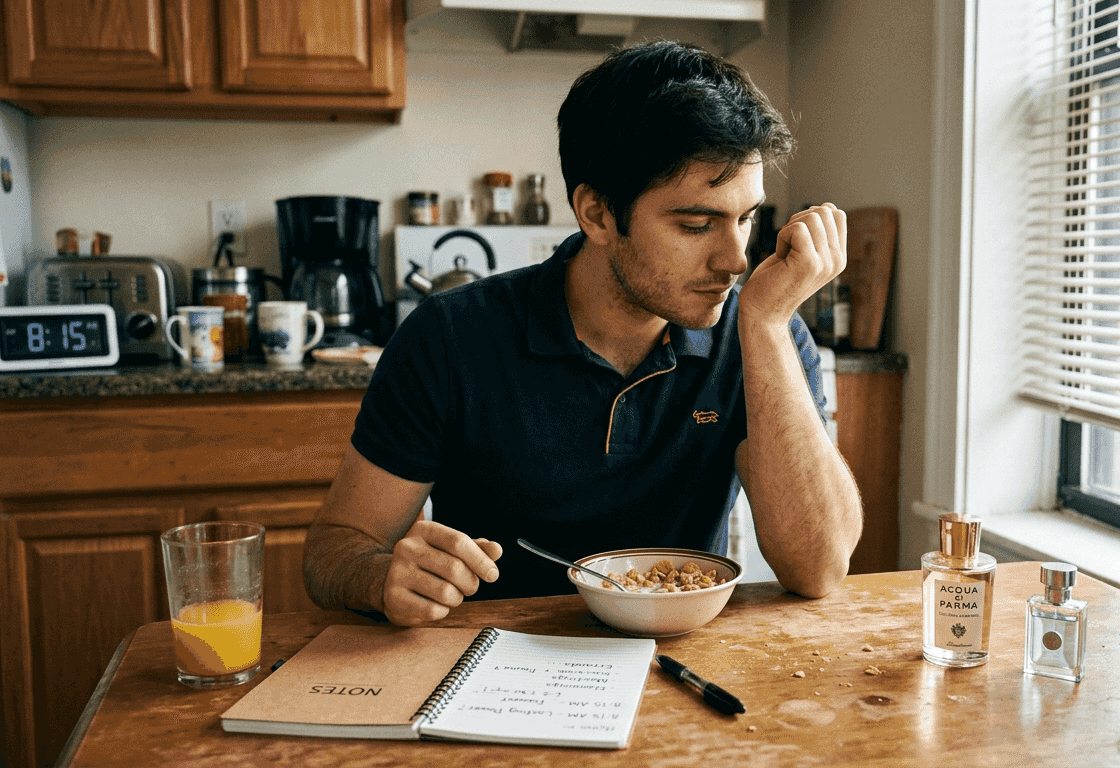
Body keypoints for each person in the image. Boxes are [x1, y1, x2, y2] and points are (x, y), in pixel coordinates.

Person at [303, 40, 863, 627]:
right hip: (494, 665)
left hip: (686, 667)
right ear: (596, 214)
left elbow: (818, 567)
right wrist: (382, 575)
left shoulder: (760, 328)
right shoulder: (449, 337)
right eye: (696, 224)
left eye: (746, 218)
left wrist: (769, 327)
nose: (735, 259)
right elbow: (333, 551)